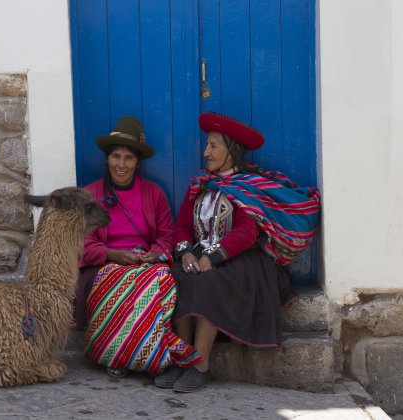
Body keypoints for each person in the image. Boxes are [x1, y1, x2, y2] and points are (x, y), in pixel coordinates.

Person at [155, 112, 321, 393]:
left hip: (238, 258)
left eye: (213, 146)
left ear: (232, 150)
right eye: (206, 145)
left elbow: (248, 231)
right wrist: (186, 254)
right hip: (200, 252)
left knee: (210, 282)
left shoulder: (246, 186)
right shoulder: (200, 184)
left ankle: (200, 365)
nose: (205, 152)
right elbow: (182, 225)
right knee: (175, 277)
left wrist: (214, 257)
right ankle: (182, 358)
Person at [73, 115, 202, 378]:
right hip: (106, 264)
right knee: (114, 280)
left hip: (147, 263)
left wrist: (154, 255)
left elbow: (167, 234)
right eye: (115, 156)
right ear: (107, 159)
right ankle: (115, 353)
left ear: (137, 162)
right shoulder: (90, 195)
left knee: (160, 280)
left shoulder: (153, 193)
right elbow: (81, 241)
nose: (121, 164)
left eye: (128, 158)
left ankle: (142, 356)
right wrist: (112, 254)